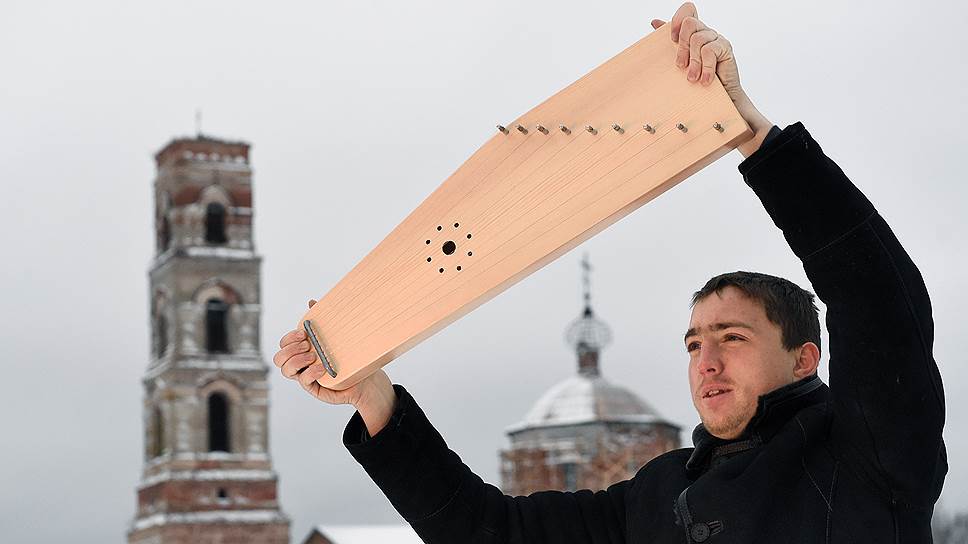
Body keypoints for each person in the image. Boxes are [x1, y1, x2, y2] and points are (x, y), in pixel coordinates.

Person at [273, 3, 946, 542]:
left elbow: (878, 300)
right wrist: (376, 400)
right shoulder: (657, 497)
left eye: (733, 337)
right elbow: (490, 531)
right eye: (693, 343)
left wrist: (749, 133)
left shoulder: (868, 460)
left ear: (804, 358)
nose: (706, 362)